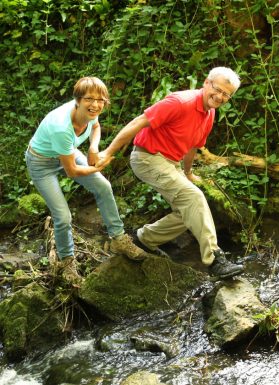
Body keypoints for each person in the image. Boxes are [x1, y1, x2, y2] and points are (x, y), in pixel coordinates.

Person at [98, 67, 244, 279]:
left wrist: (187, 173)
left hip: (171, 163)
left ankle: (143, 239)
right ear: (206, 83)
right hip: (147, 158)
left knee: (189, 212)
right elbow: (138, 122)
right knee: (194, 198)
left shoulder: (209, 113)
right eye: (218, 89)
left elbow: (193, 146)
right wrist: (108, 152)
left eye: (226, 95)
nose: (220, 97)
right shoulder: (180, 102)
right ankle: (215, 260)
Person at [25, 77, 148, 286]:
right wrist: (97, 167)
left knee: (103, 186)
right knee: (63, 217)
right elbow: (72, 171)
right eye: (89, 99)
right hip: (41, 163)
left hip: (66, 152)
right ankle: (66, 261)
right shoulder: (61, 127)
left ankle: (118, 238)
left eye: (101, 100)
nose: (96, 104)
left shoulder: (92, 113)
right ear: (78, 100)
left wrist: (93, 148)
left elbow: (96, 126)